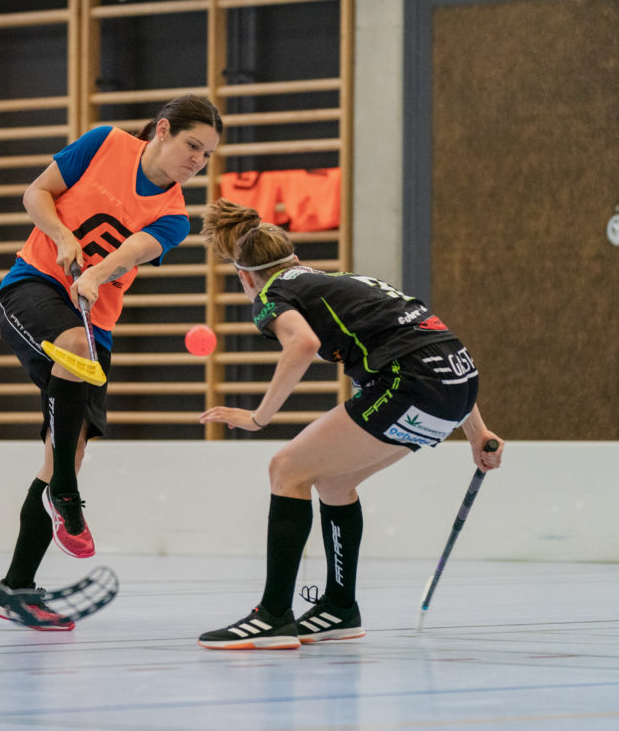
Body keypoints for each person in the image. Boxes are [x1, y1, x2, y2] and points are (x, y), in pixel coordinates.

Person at [195, 198, 504, 649]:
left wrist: (259, 416)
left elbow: (301, 345)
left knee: (286, 468)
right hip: (457, 383)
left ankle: (273, 615)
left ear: (244, 275)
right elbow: (430, 340)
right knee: (334, 484)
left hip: (410, 383)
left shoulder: (271, 295)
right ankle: (340, 608)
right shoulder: (337, 279)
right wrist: (477, 431)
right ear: (295, 258)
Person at [0, 95, 223, 630]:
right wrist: (63, 237)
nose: (198, 161)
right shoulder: (105, 144)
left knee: (61, 451)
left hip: (96, 323)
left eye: (207, 155)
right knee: (69, 348)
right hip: (32, 287)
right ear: (162, 130)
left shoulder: (174, 216)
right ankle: (67, 496)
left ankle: (15, 588)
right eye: (192, 146)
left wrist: (94, 275)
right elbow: (36, 193)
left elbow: (127, 255)